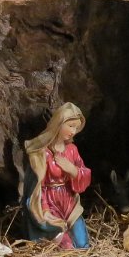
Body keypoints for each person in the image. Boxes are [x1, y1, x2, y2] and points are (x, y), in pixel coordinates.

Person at [22, 102, 92, 249]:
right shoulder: (43, 153)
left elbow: (85, 174)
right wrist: (45, 210)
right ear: (58, 123)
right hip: (50, 202)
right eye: (70, 126)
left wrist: (72, 169)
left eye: (76, 127)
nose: (73, 131)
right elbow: (38, 187)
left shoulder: (72, 150)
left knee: (82, 244)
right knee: (67, 247)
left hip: (69, 202)